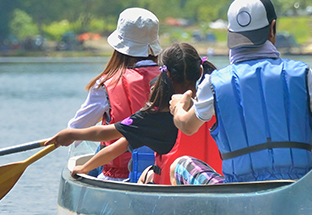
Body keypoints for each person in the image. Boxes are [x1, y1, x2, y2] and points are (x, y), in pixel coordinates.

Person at [170, 0, 312, 185]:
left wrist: (178, 108)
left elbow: (187, 126)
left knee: (179, 165)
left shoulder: (214, 83)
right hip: (298, 184)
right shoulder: (301, 73)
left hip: (240, 190)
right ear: (272, 28)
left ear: (230, 32)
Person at [48, 43, 215, 179]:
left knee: (146, 175)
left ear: (166, 74)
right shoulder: (216, 103)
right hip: (212, 180)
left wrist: (73, 135)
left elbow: (107, 134)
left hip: (169, 187)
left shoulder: (153, 116)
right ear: (200, 70)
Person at [66, 7, 162, 181]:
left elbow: (76, 129)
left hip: (118, 176)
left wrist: (64, 136)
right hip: (160, 174)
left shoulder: (106, 84)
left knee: (97, 153)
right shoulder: (171, 77)